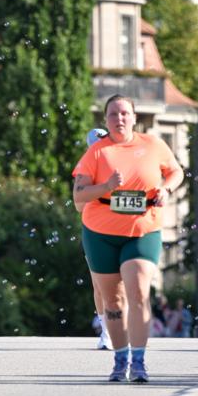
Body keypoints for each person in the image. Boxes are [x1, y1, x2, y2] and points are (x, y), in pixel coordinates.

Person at [72, 94, 184, 383]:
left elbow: (176, 172)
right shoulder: (97, 152)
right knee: (112, 302)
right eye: (113, 114)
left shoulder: (153, 145)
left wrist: (166, 190)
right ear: (105, 120)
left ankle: (139, 360)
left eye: (124, 114)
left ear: (134, 117)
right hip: (100, 233)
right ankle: (120, 359)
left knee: (138, 292)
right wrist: (106, 186)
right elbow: (79, 197)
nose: (119, 119)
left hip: (142, 229)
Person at [84, 127, 114, 350]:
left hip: (124, 229)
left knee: (125, 282)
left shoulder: (121, 165)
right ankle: (106, 331)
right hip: (95, 230)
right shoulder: (85, 172)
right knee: (99, 285)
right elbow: (78, 204)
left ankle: (122, 327)